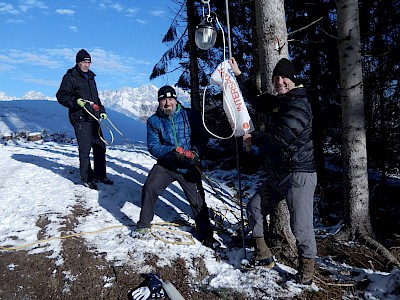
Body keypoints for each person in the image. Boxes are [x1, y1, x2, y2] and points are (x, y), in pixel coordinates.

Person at [229, 57, 317, 285]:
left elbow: (283, 139)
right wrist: (239, 75)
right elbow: (257, 101)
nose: (279, 81)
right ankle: (263, 254)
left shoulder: (299, 105)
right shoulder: (282, 101)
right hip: (278, 174)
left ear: (293, 80)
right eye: (276, 78)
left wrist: (254, 138)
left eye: (284, 78)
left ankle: (306, 270)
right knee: (254, 207)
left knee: (301, 226)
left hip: (299, 175)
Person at [135, 85, 218, 248]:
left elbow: (202, 137)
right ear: (159, 102)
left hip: (188, 165)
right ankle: (143, 226)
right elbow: (153, 146)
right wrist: (171, 151)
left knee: (198, 201)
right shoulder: (153, 121)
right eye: (163, 99)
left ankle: (205, 234)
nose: (167, 103)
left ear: (176, 100)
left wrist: (194, 152)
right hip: (166, 164)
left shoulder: (190, 115)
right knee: (149, 188)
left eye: (170, 99)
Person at [56, 49, 113, 190]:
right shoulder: (70, 77)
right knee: (85, 149)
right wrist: (77, 102)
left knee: (100, 147)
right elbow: (61, 96)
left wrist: (102, 111)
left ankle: (100, 175)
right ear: (78, 62)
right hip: (80, 118)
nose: (86, 65)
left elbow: (96, 99)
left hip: (93, 117)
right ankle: (87, 178)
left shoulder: (91, 77)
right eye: (83, 62)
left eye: (88, 62)